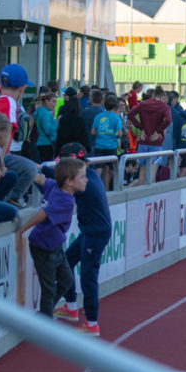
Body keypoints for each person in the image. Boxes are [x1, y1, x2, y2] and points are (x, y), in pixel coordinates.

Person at [52, 143, 113, 337]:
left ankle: (92, 323)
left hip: (95, 233)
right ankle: (71, 306)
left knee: (88, 275)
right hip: (91, 231)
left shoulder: (82, 181)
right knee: (67, 261)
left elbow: (54, 185)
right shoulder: (90, 173)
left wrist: (39, 172)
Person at [15, 157, 87, 318]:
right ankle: (44, 321)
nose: (86, 180)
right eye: (82, 177)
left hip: (55, 244)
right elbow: (43, 213)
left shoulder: (54, 186)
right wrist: (22, 231)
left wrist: (25, 164)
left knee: (66, 280)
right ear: (69, 181)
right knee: (48, 289)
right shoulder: (66, 201)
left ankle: (44, 314)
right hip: (43, 246)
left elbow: (38, 178)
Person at [0, 64, 42, 208]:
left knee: (23, 171)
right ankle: (12, 199)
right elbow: (5, 134)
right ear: (22, 89)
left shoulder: (0, 101)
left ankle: (5, 200)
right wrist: (0, 163)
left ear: (0, 84)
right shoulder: (10, 102)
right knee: (30, 169)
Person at [127, 89, 171, 185]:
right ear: (163, 97)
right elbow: (168, 119)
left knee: (142, 173)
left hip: (143, 141)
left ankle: (141, 193)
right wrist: (159, 130)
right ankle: (150, 194)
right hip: (156, 143)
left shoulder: (143, 104)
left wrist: (141, 127)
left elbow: (130, 114)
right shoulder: (164, 107)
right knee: (152, 173)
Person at [91, 94, 123, 188]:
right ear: (115, 106)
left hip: (99, 146)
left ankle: (97, 187)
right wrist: (113, 135)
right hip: (111, 146)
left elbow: (92, 132)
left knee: (99, 169)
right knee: (112, 169)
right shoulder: (116, 117)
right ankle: (107, 187)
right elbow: (120, 134)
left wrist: (101, 133)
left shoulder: (98, 116)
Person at [34, 93, 59, 162]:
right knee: (47, 164)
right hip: (46, 143)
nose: (55, 104)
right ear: (46, 101)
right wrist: (57, 122)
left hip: (42, 142)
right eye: (53, 101)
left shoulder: (41, 111)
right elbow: (48, 130)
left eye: (55, 102)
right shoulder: (44, 113)